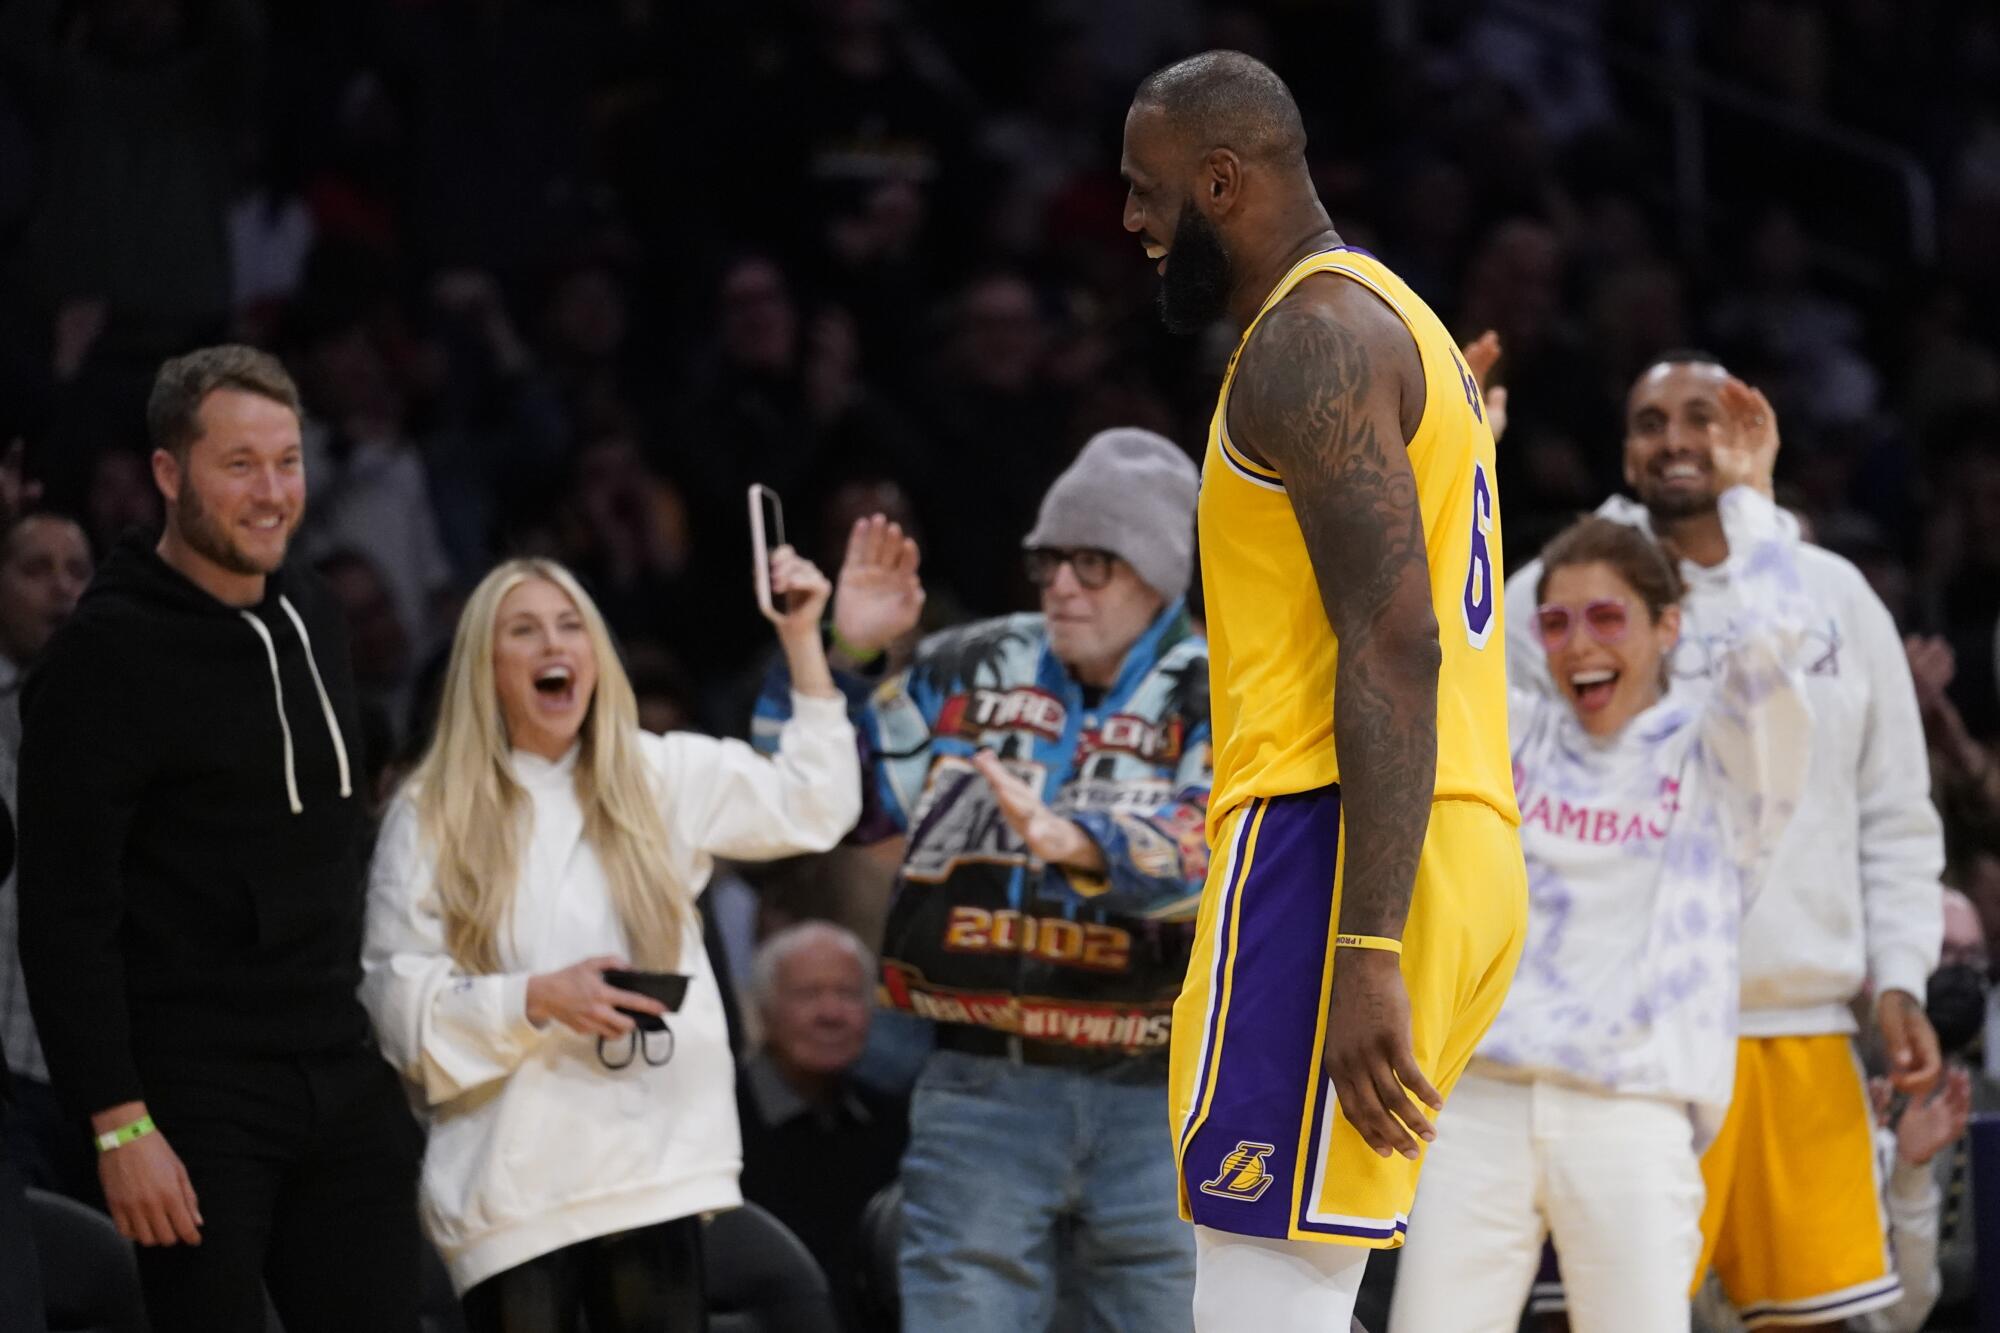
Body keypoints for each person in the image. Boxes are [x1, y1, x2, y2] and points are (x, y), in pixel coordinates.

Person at [1119, 52, 1526, 1328]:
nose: (1130, 221)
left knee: (1259, 1301)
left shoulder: (1307, 341)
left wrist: (1362, 946)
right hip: (1459, 837)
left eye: (1147, 191)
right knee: (1306, 1285)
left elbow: (1394, 642)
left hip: (1332, 840)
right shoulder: (1392, 321)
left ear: (1220, 182)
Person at [1503, 352, 1945, 1329]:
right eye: (1650, 421)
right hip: (1617, 1033)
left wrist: (1901, 973)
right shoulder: (1558, 591)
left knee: (1817, 1322)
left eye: (1702, 416)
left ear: (1750, 438)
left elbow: (1892, 813)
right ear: (1624, 450)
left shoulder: (1831, 596)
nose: (1674, 440)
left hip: (1795, 1025)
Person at [754, 427, 1211, 1331]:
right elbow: (810, 799)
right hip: (982, 1087)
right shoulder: (970, 664)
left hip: (1158, 1098)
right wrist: (838, 649)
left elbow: (1223, 857)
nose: (1062, 587)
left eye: (1094, 564)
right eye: (1050, 562)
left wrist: (1078, 841)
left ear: (1159, 574)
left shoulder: (1224, 687)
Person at [16, 345, 423, 1333]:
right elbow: (63, 915)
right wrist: (119, 1123)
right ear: (169, 473)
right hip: (194, 1093)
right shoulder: (99, 658)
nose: (272, 491)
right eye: (239, 463)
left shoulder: (317, 609)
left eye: (287, 461)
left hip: (340, 1061)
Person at [1390, 398, 1811, 1333]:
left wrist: (1750, 500)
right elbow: (1431, 629)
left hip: (1635, 1112)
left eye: (1609, 618)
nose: (1581, 643)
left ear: (1668, 627)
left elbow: (1776, 651)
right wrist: (1461, 456)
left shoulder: (1725, 759)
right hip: (1477, 1103)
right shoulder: (1515, 734)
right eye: (1558, 621)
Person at [361, 550, 859, 1331]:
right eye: (524, 630)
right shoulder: (430, 813)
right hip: (510, 1191)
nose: (555, 645)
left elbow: (817, 804)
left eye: (571, 626)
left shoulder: (659, 775)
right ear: (485, 665)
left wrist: (803, 639)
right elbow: (396, 1004)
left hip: (651, 1174)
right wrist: (534, 999)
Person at [736, 921, 907, 1327]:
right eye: (807, 994)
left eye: (848, 993)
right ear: (764, 1009)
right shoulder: (719, 1120)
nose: (831, 1013)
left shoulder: (898, 1124)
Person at [0, 513, 93, 1201]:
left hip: (98, 1093)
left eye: (76, 570)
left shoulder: (122, 719)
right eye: (36, 569)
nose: (60, 589)